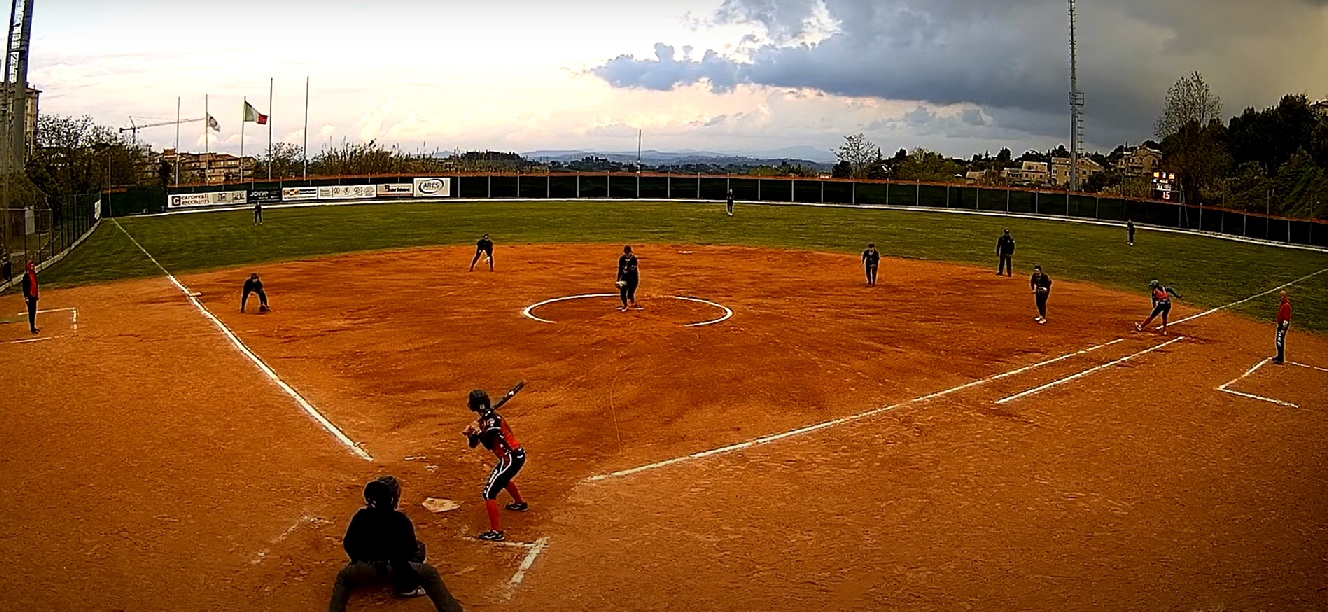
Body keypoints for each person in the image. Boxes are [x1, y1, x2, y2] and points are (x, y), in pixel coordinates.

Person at [327, 475, 464, 612]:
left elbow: (349, 544)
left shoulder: (360, 516)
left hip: (364, 568)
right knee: (428, 570)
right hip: (395, 569)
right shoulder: (400, 520)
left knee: (343, 579)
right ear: (392, 499)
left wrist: (358, 562)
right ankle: (408, 588)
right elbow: (411, 551)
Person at [462, 389, 529, 542]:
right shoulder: (484, 420)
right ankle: (520, 504)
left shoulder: (492, 420)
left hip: (511, 458)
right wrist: (471, 434)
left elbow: (489, 441)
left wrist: (478, 432)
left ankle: (496, 532)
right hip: (511, 458)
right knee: (502, 479)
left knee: (488, 493)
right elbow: (474, 445)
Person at [616, 245, 639, 311]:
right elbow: (620, 270)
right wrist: (618, 280)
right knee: (622, 292)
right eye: (626, 252)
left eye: (628, 252)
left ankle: (633, 302)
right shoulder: (621, 259)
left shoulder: (633, 259)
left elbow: (631, 271)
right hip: (625, 278)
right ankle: (625, 305)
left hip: (633, 279)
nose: (627, 254)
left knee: (630, 294)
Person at [1273, 291, 1291, 364]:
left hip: (1283, 325)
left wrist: (1283, 328)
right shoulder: (1283, 304)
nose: (1280, 298)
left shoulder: (1286, 306)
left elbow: (1286, 318)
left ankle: (1281, 358)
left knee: (1280, 341)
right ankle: (1279, 356)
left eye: (1281, 296)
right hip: (1280, 324)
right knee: (1278, 341)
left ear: (1284, 296)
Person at [21, 260, 38, 334]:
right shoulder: (26, 276)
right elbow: (24, 287)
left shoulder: (34, 274)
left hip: (34, 295)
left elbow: (35, 285)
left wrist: (37, 295)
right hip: (30, 296)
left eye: (33, 266)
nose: (33, 267)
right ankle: (32, 327)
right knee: (31, 312)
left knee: (34, 311)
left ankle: (33, 326)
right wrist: (26, 297)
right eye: (31, 266)